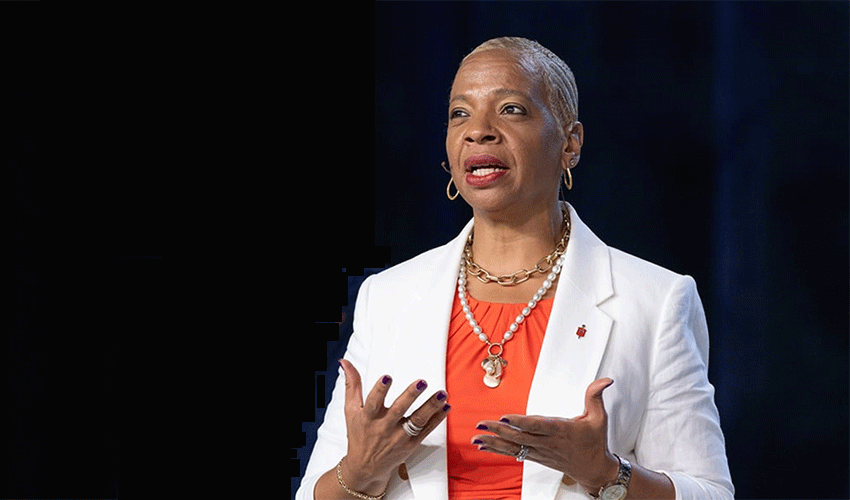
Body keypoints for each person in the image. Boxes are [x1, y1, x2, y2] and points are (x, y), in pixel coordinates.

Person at [297, 37, 733, 500]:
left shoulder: (654, 300)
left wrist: (607, 474)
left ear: (570, 142)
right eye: (459, 114)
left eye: (511, 109)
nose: (478, 131)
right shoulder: (388, 296)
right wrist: (360, 472)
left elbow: (711, 494)